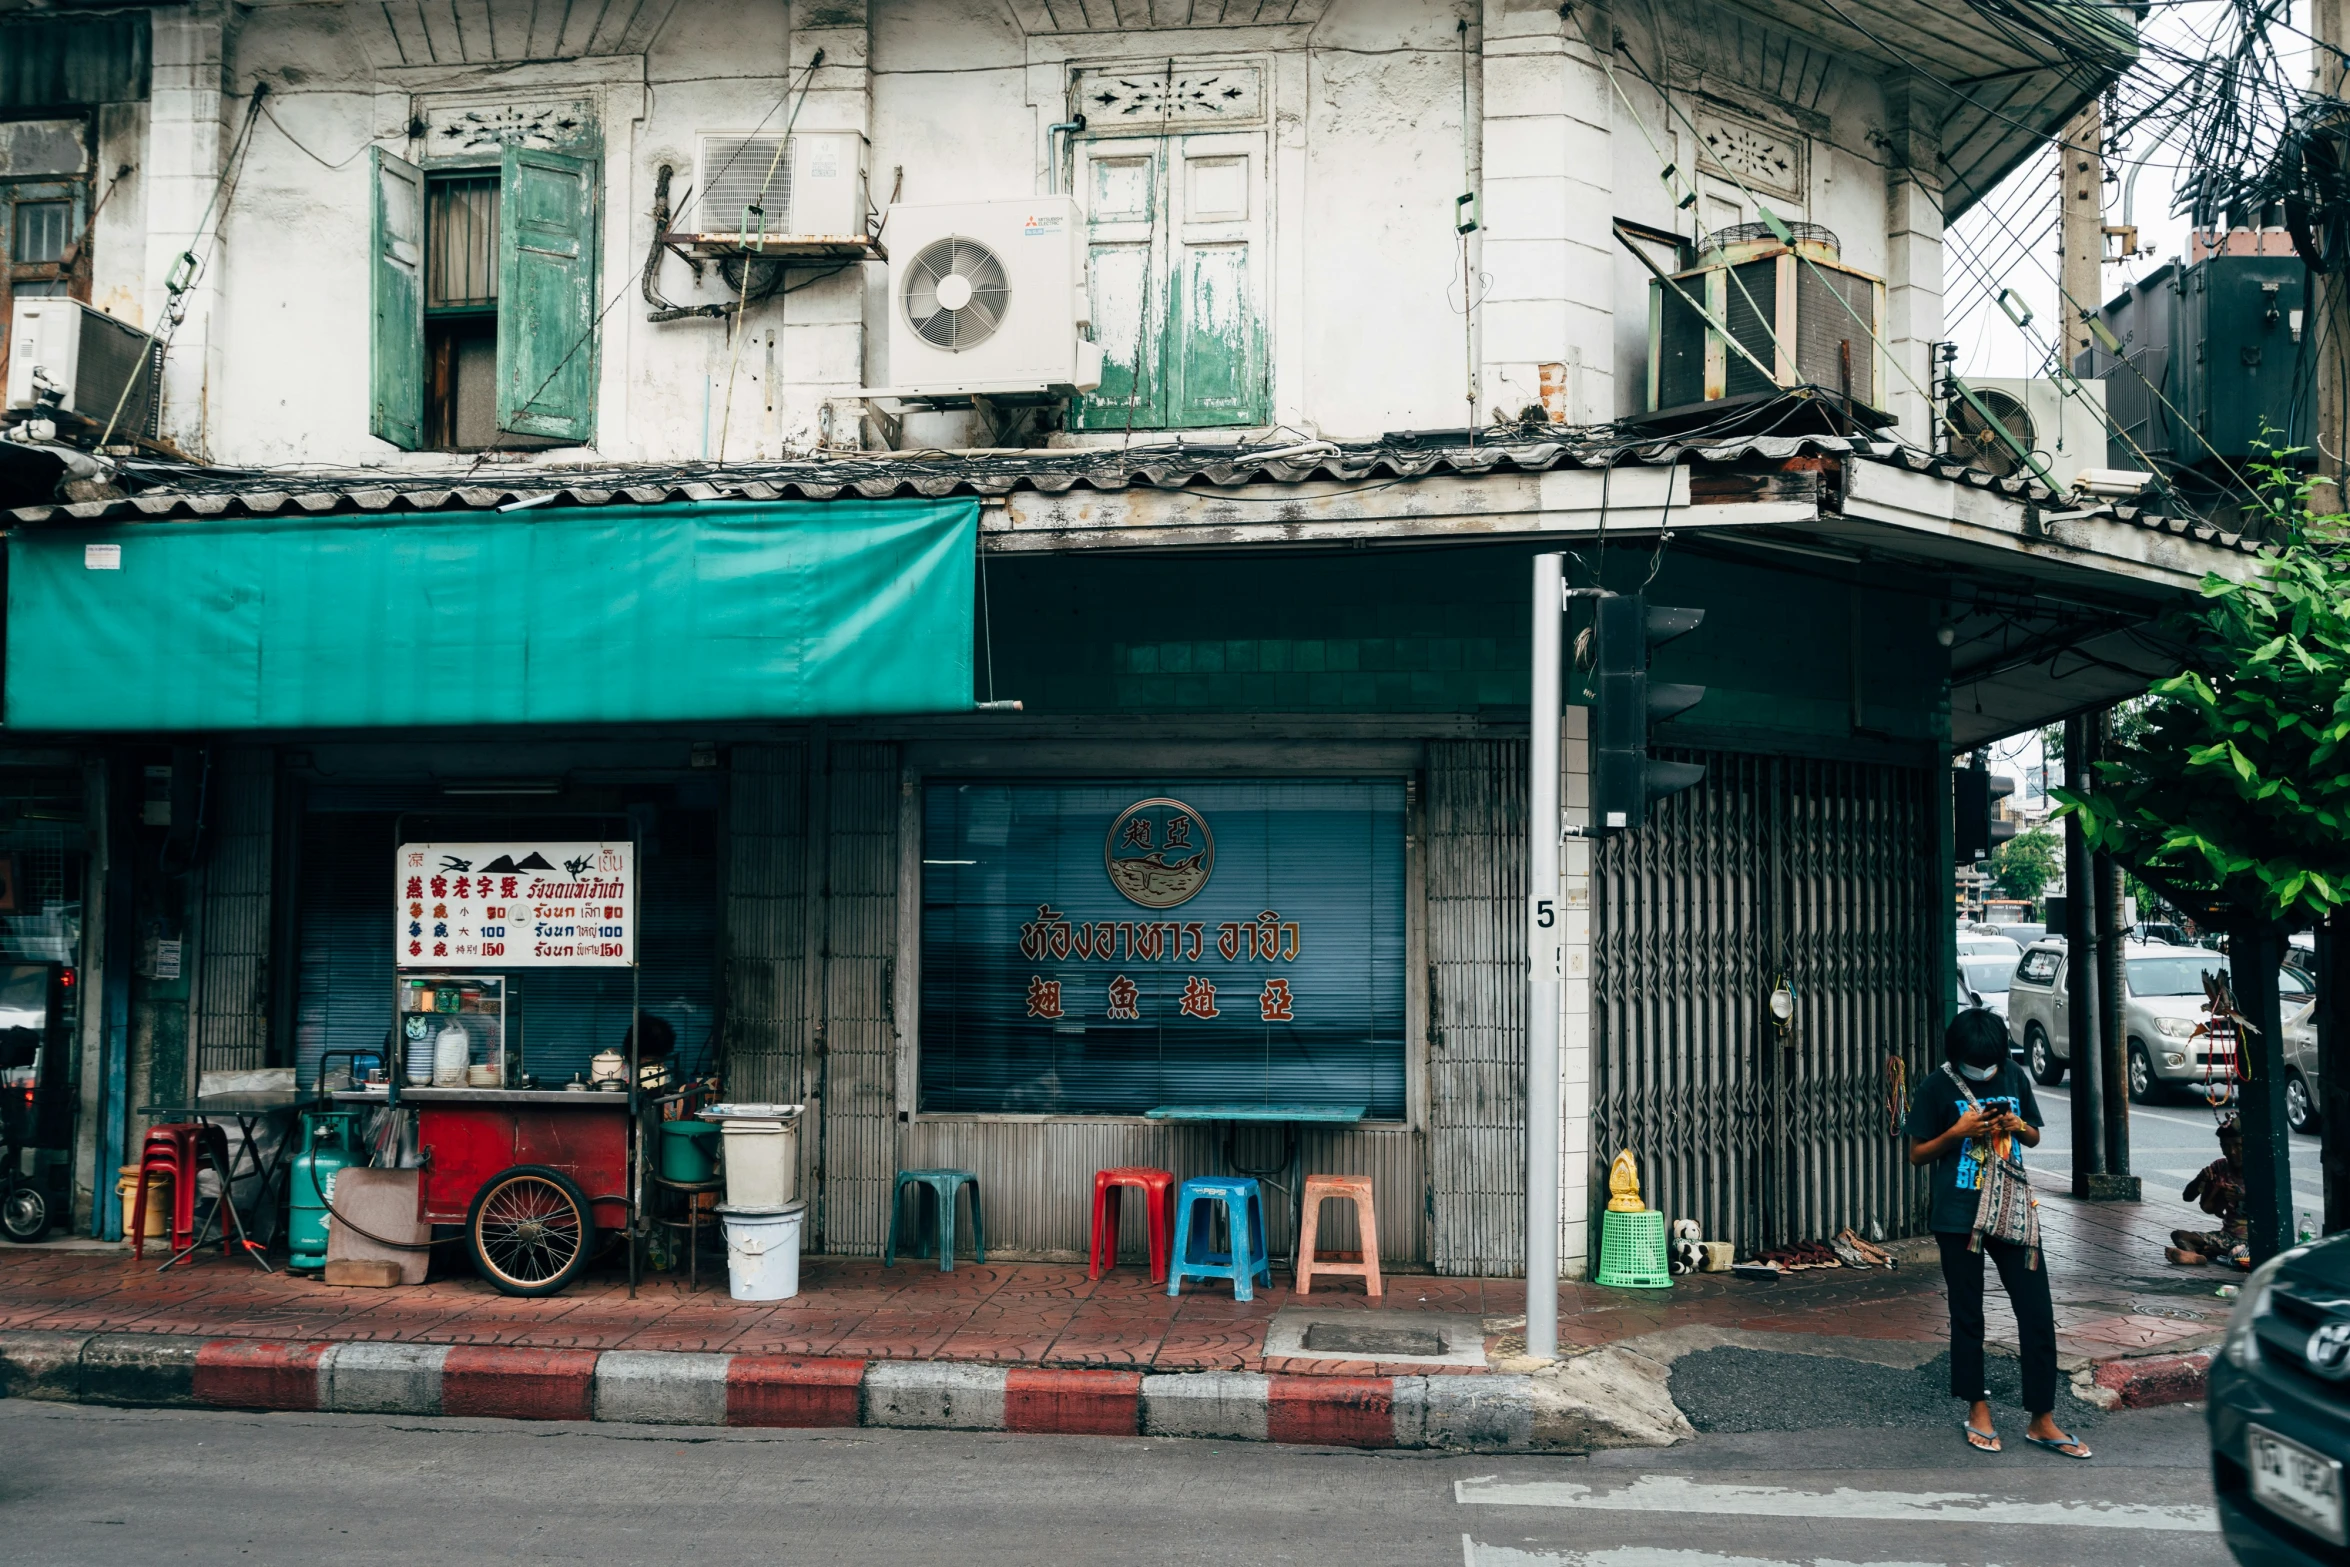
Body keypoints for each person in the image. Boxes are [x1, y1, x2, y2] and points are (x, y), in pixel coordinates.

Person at [1906, 1007, 2090, 1460]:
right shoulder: (1935, 1086)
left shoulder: (2011, 1074)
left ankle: (2042, 1418)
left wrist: (2015, 1125)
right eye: (1977, 1062)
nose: (1986, 1069)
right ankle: (1978, 1408)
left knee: (2037, 1313)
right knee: (1969, 1315)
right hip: (1958, 1217)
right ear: (1957, 1055)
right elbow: (1917, 1155)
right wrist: (1958, 1131)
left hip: (2013, 1212)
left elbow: (2033, 1137)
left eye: (1991, 1060)